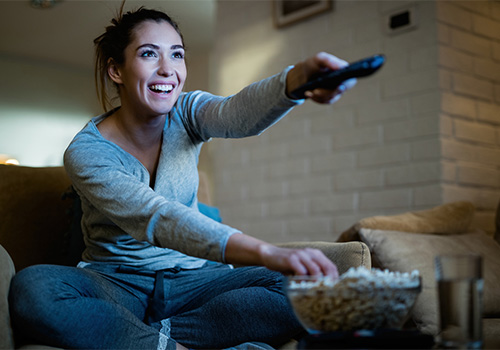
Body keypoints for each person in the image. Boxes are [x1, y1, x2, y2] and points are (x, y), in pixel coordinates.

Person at [9, 5, 356, 350]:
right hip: (115, 284)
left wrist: (295, 80)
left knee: (308, 291)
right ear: (116, 70)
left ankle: (145, 339)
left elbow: (236, 113)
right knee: (34, 288)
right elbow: (156, 217)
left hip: (194, 281)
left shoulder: (187, 112)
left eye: (177, 55)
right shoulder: (87, 152)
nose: (168, 70)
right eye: (149, 54)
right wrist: (265, 251)